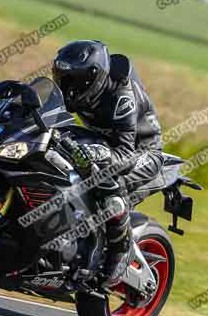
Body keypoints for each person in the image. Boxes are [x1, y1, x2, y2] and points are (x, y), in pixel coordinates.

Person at [51, 40, 164, 288]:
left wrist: (96, 154)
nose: (67, 86)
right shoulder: (77, 88)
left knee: (107, 185)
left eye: (74, 80)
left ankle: (120, 250)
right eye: (63, 77)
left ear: (94, 78)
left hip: (141, 152)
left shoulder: (121, 97)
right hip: (102, 140)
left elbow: (124, 152)